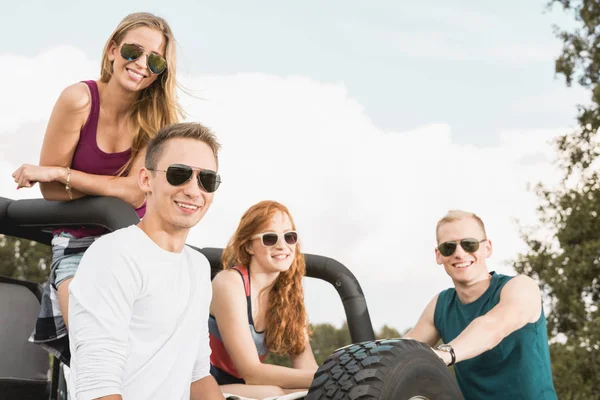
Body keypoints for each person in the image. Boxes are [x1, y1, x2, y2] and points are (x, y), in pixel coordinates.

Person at [10, 12, 182, 363]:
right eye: (134, 51)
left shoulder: (156, 120)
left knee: (149, 358)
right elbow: (51, 194)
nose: (141, 64)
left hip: (132, 242)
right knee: (96, 351)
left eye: (155, 59)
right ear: (113, 51)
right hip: (75, 245)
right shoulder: (79, 100)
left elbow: (135, 192)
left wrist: (61, 173)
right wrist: (78, 184)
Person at [68, 122, 224, 400]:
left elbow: (197, 376)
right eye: (179, 174)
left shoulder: (198, 267)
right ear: (145, 180)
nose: (193, 190)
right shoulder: (114, 255)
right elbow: (98, 388)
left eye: (207, 179)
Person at [404, 210, 557, 400]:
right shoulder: (440, 306)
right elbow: (403, 352)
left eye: (469, 244)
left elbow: (493, 326)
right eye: (448, 247)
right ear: (438, 255)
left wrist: (445, 353)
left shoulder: (520, 287)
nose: (459, 254)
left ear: (487, 248)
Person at [209, 201, 318, 399]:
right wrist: (328, 376)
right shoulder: (229, 283)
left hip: (243, 388)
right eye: (270, 238)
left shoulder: (289, 294)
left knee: (305, 392)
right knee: (273, 392)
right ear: (249, 245)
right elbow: (252, 373)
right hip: (199, 384)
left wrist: (329, 382)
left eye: (289, 237)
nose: (282, 245)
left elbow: (307, 368)